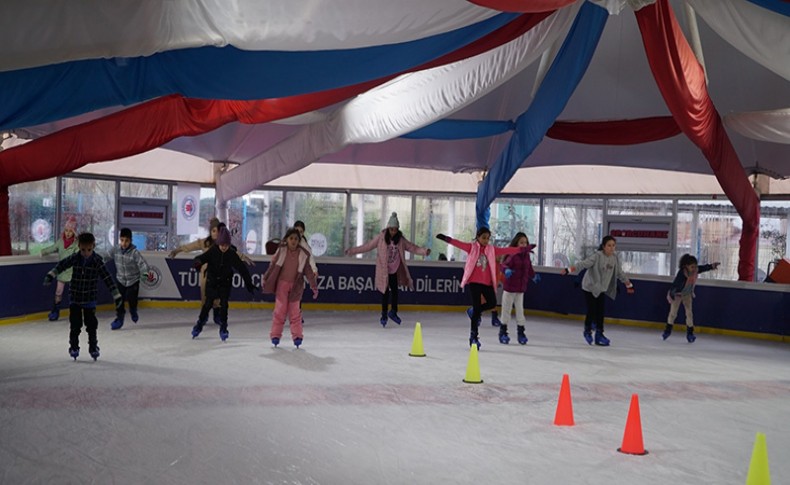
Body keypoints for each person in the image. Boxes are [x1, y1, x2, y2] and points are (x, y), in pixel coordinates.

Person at [436, 227, 522, 349]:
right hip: (474, 282)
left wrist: (521, 249)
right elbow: (458, 244)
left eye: (488, 238)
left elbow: (506, 250)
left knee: (492, 302)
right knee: (477, 309)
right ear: (478, 237)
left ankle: (473, 311)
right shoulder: (471, 247)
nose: (486, 240)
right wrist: (446, 239)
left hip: (487, 283)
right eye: (483, 238)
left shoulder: (491, 250)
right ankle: (474, 336)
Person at [43, 232, 122, 361]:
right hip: (75, 298)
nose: (86, 252)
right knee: (75, 325)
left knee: (91, 326)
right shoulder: (75, 258)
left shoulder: (97, 261)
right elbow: (62, 264)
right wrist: (51, 275)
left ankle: (93, 347)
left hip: (90, 299)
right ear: (79, 246)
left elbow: (107, 278)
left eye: (89, 250)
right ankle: (74, 346)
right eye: (83, 249)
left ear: (93, 246)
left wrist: (116, 295)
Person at [345, 212, 431, 327]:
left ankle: (393, 312)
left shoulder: (400, 239)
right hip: (383, 270)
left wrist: (424, 251)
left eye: (395, 230)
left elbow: (412, 247)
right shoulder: (381, 237)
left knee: (395, 291)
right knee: (384, 293)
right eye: (391, 229)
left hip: (395, 270)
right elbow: (368, 246)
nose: (393, 232)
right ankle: (384, 315)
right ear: (388, 228)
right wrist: (352, 251)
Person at [561, 235, 633, 346]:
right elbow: (583, 264)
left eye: (613, 245)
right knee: (592, 309)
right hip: (589, 287)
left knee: (600, 311)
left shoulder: (614, 258)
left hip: (601, 288)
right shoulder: (597, 256)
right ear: (604, 246)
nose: (612, 248)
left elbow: (619, 273)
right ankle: (587, 331)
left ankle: (599, 335)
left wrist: (628, 284)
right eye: (609, 245)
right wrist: (569, 269)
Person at [190, 227, 257, 342]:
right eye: (222, 244)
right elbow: (201, 258)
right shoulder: (213, 251)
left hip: (225, 283)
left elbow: (242, 269)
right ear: (218, 243)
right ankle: (199, 325)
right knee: (207, 305)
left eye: (226, 245)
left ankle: (223, 328)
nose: (224, 247)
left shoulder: (231, 254)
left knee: (224, 305)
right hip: (212, 282)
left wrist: (249, 284)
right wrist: (198, 262)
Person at [262, 228, 319, 348]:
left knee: (295, 312)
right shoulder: (281, 251)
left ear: (299, 241)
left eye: (296, 239)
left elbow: (308, 271)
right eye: (291, 238)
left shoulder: (303, 255)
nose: (293, 241)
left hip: (296, 287)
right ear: (287, 239)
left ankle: (297, 336)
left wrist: (313, 286)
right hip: (282, 286)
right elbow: (272, 266)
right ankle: (275, 335)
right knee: (280, 311)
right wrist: (266, 277)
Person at [663, 254, 720, 343]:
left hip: (687, 295)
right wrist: (672, 294)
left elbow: (702, 268)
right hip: (677, 294)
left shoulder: (695, 270)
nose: (694, 269)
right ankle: (667, 330)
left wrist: (711, 266)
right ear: (686, 266)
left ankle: (690, 333)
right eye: (692, 267)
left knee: (689, 314)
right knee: (673, 313)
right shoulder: (682, 274)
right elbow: (675, 285)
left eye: (695, 266)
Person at [106, 228, 153, 330]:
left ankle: (133, 310)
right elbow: (105, 256)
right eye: (122, 240)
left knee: (132, 299)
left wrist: (144, 277)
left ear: (131, 240)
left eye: (126, 241)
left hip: (133, 280)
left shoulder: (134, 253)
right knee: (119, 300)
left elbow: (143, 265)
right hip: (121, 280)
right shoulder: (115, 250)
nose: (124, 243)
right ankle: (119, 318)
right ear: (119, 239)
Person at [499, 232, 539, 345]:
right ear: (516, 243)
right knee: (506, 311)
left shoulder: (526, 256)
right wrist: (506, 270)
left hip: (521, 289)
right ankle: (503, 332)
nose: (524, 244)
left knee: (520, 312)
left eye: (525, 242)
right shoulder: (513, 255)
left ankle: (521, 333)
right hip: (510, 288)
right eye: (521, 242)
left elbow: (529, 268)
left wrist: (533, 276)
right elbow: (503, 265)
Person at [40, 216, 79, 321]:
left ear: (74, 232)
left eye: (70, 231)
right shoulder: (60, 241)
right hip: (62, 272)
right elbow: (53, 248)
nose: (67, 233)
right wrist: (42, 252)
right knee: (58, 292)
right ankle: (55, 311)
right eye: (66, 230)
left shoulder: (76, 244)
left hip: (73, 273)